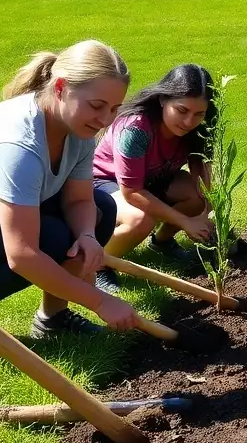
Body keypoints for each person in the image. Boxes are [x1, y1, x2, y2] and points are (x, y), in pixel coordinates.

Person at [0, 41, 140, 344]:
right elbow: (23, 256)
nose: (105, 119)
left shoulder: (76, 126)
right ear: (59, 88)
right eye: (97, 106)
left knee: (101, 208)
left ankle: (52, 320)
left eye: (113, 109)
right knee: (50, 238)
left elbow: (80, 199)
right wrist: (99, 301)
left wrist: (87, 235)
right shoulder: (18, 145)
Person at [93, 63, 216, 293]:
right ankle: (99, 265)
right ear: (162, 99)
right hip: (106, 183)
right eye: (182, 111)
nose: (189, 122)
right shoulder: (135, 129)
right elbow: (132, 191)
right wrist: (185, 221)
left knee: (196, 196)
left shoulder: (198, 128)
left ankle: (162, 242)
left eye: (199, 114)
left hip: (152, 180)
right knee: (141, 219)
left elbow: (201, 169)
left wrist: (206, 212)